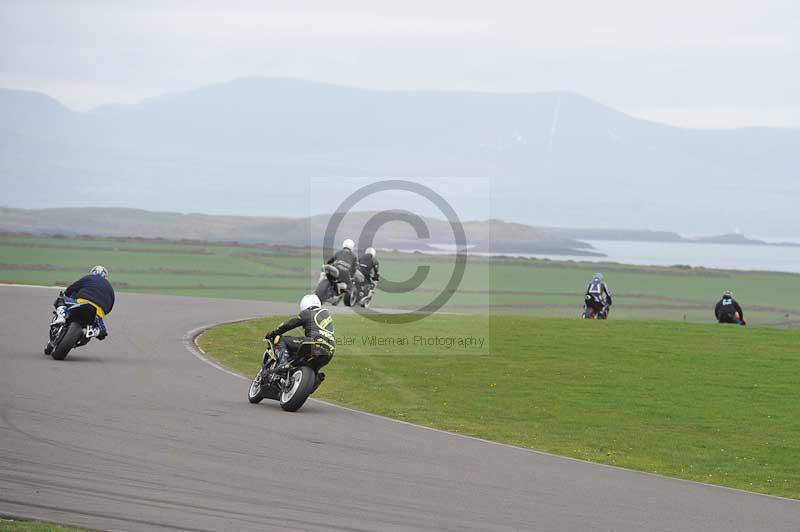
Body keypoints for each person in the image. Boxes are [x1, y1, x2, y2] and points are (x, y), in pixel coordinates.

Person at [46, 266, 115, 352]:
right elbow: (110, 307)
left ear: (93, 272)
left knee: (61, 299)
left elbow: (71, 288)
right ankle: (94, 331)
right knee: (102, 332)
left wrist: (67, 294)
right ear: (105, 276)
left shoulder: (89, 278)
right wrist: (101, 313)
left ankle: (61, 316)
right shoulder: (110, 288)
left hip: (81, 303)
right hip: (98, 312)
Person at [264, 294, 335, 367]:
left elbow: (290, 324)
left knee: (281, 340)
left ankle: (282, 363)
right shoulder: (325, 316)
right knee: (312, 369)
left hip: (313, 342)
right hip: (330, 349)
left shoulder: (308, 312)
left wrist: (275, 332)